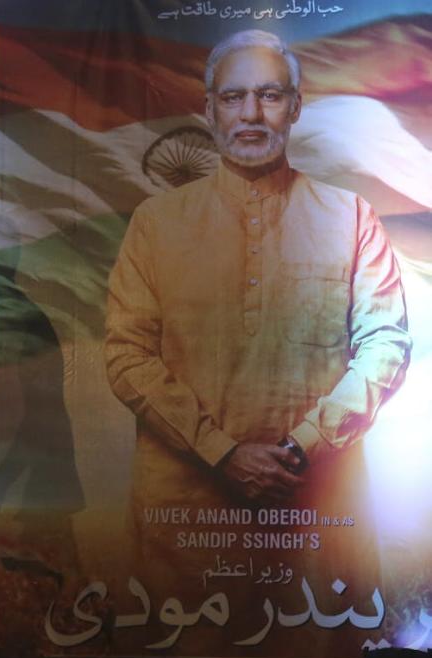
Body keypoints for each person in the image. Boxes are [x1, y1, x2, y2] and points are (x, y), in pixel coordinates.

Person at [104, 32, 409, 582]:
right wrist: (221, 452)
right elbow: (126, 357)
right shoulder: (156, 224)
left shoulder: (350, 217)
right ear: (208, 109)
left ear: (295, 106)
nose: (251, 114)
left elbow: (386, 345)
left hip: (315, 518)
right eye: (232, 97)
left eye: (269, 95)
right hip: (186, 521)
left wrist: (303, 447)